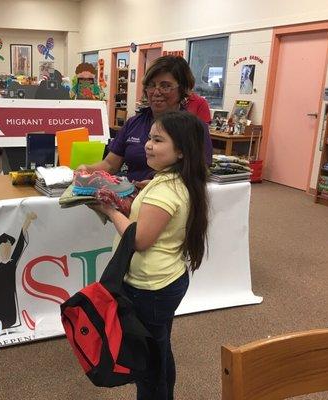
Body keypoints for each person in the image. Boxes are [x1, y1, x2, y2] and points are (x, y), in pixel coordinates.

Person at [90, 111, 209, 400]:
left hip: (150, 286)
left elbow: (139, 239)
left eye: (158, 140)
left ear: (181, 150)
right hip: (166, 279)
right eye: (149, 138)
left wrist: (109, 210)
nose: (148, 145)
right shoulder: (171, 179)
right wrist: (132, 198)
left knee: (149, 364)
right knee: (159, 348)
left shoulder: (165, 189)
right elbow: (148, 220)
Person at [77, 56, 212, 188]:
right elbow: (110, 165)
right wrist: (87, 170)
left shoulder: (193, 127)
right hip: (129, 197)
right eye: (151, 85)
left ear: (183, 89)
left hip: (166, 202)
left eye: (165, 86)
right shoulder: (134, 123)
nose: (156, 92)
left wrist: (159, 185)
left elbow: (200, 175)